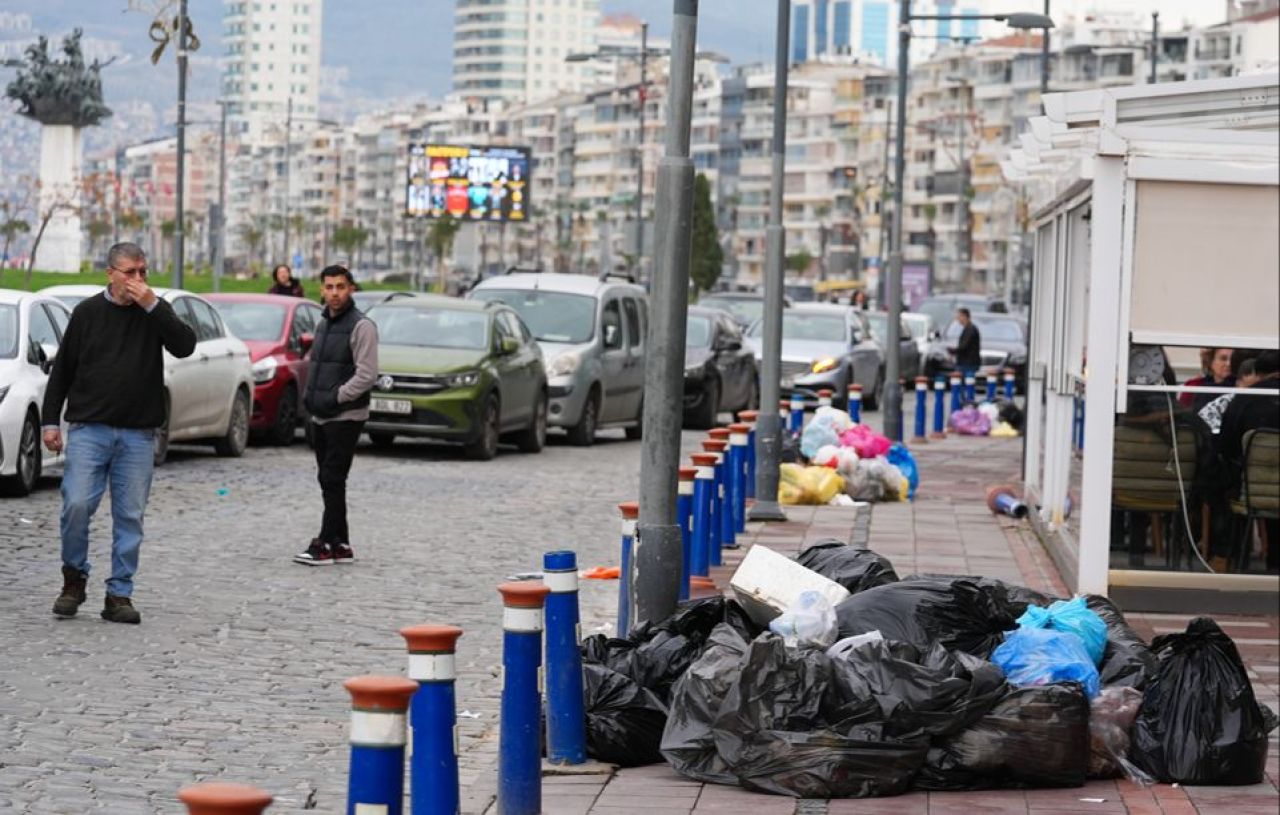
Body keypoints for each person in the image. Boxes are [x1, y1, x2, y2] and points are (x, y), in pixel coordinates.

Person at [41, 242, 197, 623]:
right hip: (89, 429)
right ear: (111, 273)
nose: (139, 280)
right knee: (76, 505)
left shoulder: (155, 313)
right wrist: (49, 421)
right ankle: (73, 578)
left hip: (138, 434)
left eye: (144, 272)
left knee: (130, 516)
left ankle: (119, 594)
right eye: (130, 273)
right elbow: (63, 369)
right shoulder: (87, 313)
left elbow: (185, 346)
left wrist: (153, 305)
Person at [295, 264, 378, 566]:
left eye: (340, 287)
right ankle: (340, 544)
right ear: (321, 289)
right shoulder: (323, 324)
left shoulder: (362, 326)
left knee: (332, 477)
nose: (334, 293)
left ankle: (323, 543)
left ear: (351, 289)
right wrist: (312, 398)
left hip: (346, 416)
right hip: (321, 415)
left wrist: (335, 397)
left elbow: (367, 375)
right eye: (329, 287)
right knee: (330, 480)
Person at [1178, 347, 1234, 411]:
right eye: (1223, 359)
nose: (1229, 364)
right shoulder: (1194, 386)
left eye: (1232, 359)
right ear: (1211, 362)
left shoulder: (1240, 387)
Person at [952, 307, 981, 381]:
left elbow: (964, 346)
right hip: (966, 362)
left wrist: (952, 351)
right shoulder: (967, 328)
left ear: (964, 316)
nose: (958, 319)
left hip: (968, 363)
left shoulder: (970, 330)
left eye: (959, 316)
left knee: (966, 385)